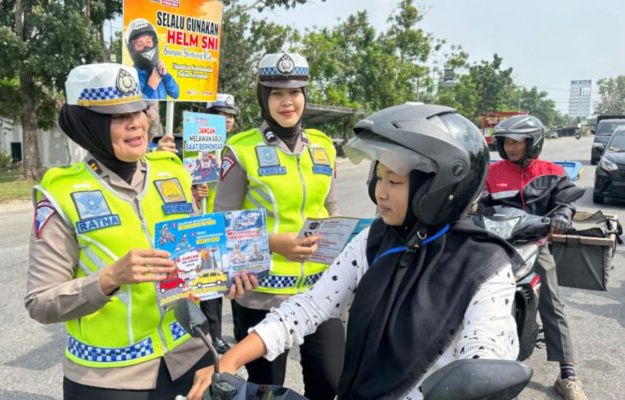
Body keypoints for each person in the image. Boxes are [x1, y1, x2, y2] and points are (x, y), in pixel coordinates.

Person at [188, 103, 522, 400]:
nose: (381, 194)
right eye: (379, 178)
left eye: (394, 182)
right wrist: (232, 358)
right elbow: (310, 306)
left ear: (439, 188)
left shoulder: (484, 266)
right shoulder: (374, 241)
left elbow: (484, 355)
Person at [24, 63, 256, 400]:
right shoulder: (60, 194)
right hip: (110, 379)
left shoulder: (171, 171)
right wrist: (110, 278)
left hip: (191, 361)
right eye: (118, 116)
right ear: (88, 124)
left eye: (140, 109)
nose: (136, 122)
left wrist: (227, 273)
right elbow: (40, 302)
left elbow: (198, 261)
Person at [209, 52, 344, 400]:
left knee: (329, 383)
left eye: (295, 92)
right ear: (263, 98)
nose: (288, 101)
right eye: (277, 93)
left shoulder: (323, 147)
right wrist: (271, 242)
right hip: (261, 297)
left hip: (320, 293)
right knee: (268, 392)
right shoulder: (240, 151)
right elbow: (220, 226)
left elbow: (331, 211)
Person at [479, 115, 587, 400]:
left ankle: (568, 374)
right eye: (506, 142)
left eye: (517, 142)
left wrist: (563, 216)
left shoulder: (551, 171)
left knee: (552, 303)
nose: (511, 148)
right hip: (497, 246)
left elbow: (566, 201)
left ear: (533, 142)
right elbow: (476, 203)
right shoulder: (491, 173)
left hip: (536, 245)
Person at [195, 93, 239, 354]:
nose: (228, 120)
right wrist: (193, 192)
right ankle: (214, 335)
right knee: (211, 282)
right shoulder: (196, 147)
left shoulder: (235, 147)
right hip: (207, 223)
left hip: (232, 223)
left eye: (231, 115)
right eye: (222, 115)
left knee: (236, 280)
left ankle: (240, 330)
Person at [126, 18, 179, 100]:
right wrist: (150, 87)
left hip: (158, 112)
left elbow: (175, 93)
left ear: (154, 42)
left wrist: (166, 76)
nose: (146, 47)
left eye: (148, 42)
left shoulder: (158, 69)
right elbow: (134, 107)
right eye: (140, 44)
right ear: (132, 48)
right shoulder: (132, 76)